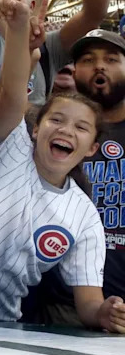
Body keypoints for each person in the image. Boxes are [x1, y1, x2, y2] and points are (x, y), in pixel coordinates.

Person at [0, 0, 123, 333]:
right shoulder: (9, 149)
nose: (65, 130)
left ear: (92, 148)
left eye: (80, 127)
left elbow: (89, 302)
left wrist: (105, 313)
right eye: (56, 120)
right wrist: (17, 31)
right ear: (35, 129)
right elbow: (14, 92)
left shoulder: (83, 215)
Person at [28, 30, 125, 326]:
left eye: (111, 59)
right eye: (87, 59)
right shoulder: (46, 132)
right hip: (57, 306)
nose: (99, 66)